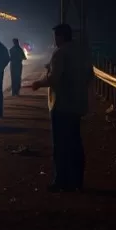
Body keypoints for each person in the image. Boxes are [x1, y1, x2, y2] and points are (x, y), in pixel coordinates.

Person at [31, 23, 93, 192]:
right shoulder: (83, 52)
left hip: (62, 105)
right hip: (78, 104)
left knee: (61, 145)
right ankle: (77, 181)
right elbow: (90, 76)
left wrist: (39, 82)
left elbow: (54, 78)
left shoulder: (60, 53)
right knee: (75, 142)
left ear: (60, 37)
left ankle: (61, 181)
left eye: (56, 36)